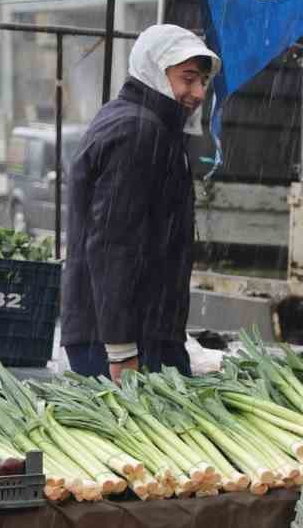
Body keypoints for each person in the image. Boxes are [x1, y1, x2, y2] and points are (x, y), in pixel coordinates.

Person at [62, 24, 218, 382]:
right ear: (154, 72)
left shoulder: (145, 124)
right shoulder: (138, 132)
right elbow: (113, 245)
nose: (197, 92)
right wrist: (120, 350)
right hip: (122, 339)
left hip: (136, 331)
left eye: (203, 82)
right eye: (188, 79)